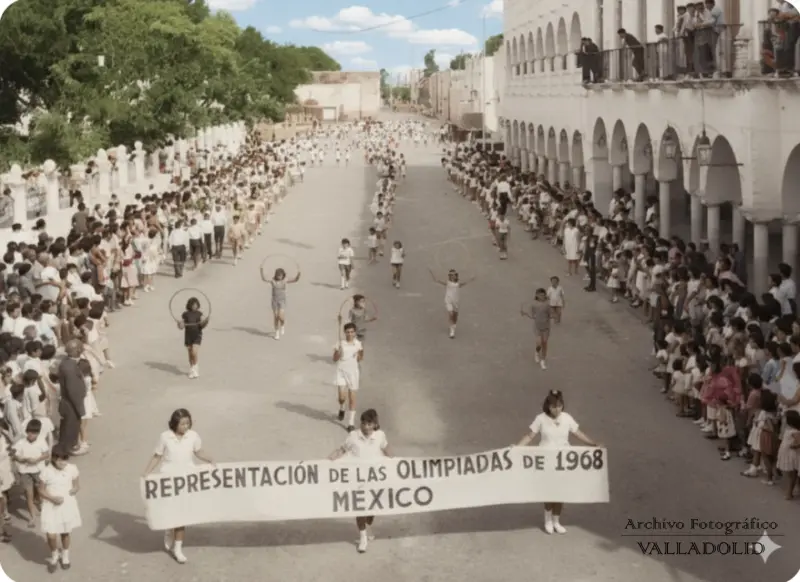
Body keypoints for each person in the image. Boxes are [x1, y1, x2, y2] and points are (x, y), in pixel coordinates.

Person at [514, 390, 602, 534]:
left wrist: (593, 444)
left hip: (563, 461)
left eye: (560, 406)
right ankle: (548, 520)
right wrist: (516, 448)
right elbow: (530, 436)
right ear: (548, 406)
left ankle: (556, 521)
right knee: (549, 491)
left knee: (561, 492)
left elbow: (578, 432)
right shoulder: (540, 419)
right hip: (546, 461)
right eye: (554, 406)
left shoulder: (567, 418)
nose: (557, 409)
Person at [142, 409, 214, 564]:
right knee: (170, 511)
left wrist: (210, 460)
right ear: (174, 424)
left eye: (188, 423)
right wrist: (146, 473)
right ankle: (169, 529)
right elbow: (157, 456)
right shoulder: (165, 437)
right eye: (182, 424)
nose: (185, 426)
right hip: (168, 480)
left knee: (181, 515)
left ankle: (178, 548)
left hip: (186, 480)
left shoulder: (193, 436)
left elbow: (198, 451)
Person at [328, 409, 392, 553]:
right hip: (357, 479)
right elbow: (341, 450)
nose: (366, 427)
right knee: (360, 508)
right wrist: (327, 462)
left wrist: (397, 464)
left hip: (375, 478)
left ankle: (368, 525)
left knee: (373, 508)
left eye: (369, 424)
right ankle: (363, 537)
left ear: (375, 424)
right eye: (363, 423)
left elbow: (387, 449)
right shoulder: (353, 436)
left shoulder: (380, 436)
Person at [38, 445, 81, 572]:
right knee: (51, 535)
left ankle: (65, 555)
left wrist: (75, 489)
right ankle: (54, 554)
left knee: (65, 532)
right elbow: (41, 490)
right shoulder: (46, 471)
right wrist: (52, 498)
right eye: (60, 460)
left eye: (65, 459)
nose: (63, 463)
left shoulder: (72, 468)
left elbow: (77, 485)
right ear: (53, 458)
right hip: (51, 506)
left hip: (66, 505)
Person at [56, 340, 88, 455]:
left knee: (71, 426)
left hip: (69, 402)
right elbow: (73, 390)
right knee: (70, 427)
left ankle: (67, 448)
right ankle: (66, 451)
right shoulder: (70, 368)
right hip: (71, 403)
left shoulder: (67, 363)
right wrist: (79, 407)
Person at [333, 321, 363, 431]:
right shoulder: (340, 343)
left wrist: (358, 355)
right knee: (341, 398)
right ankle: (342, 407)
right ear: (344, 333)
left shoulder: (358, 344)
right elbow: (334, 359)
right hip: (341, 372)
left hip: (353, 373)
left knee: (352, 398)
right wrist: (339, 352)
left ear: (355, 333)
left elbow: (360, 358)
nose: (350, 334)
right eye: (348, 332)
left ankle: (351, 423)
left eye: (352, 332)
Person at [429, 268, 475, 338]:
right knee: (451, 313)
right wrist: (431, 272)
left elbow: (464, 283)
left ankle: (453, 326)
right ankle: (452, 331)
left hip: (455, 302)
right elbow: (436, 280)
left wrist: (471, 279)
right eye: (451, 275)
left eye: (454, 275)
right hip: (448, 301)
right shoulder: (448, 283)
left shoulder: (457, 284)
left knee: (455, 317)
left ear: (456, 276)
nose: (452, 276)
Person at [264, 267, 301, 340]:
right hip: (274, 301)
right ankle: (277, 332)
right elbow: (264, 279)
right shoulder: (273, 281)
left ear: (283, 275)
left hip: (282, 301)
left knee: (281, 316)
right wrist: (261, 269)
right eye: (278, 275)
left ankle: (282, 325)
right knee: (276, 317)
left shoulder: (284, 281)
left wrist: (299, 274)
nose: (279, 277)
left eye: (280, 275)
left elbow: (295, 280)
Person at [520, 288, 552, 370]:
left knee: (544, 343)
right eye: (540, 295)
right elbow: (532, 315)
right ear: (537, 295)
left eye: (543, 295)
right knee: (539, 343)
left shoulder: (547, 304)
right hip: (537, 327)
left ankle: (543, 360)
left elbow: (550, 314)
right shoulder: (534, 304)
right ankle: (537, 352)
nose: (542, 296)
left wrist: (554, 315)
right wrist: (525, 313)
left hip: (546, 327)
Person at [178, 297, 209, 379]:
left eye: (196, 305)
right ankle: (192, 369)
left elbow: (203, 324)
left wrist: (205, 321)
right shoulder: (185, 314)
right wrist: (180, 324)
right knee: (190, 353)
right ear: (189, 305)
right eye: (193, 305)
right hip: (188, 336)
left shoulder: (199, 314)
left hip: (197, 335)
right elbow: (181, 326)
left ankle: (195, 368)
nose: (194, 306)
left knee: (194, 352)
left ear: (198, 305)